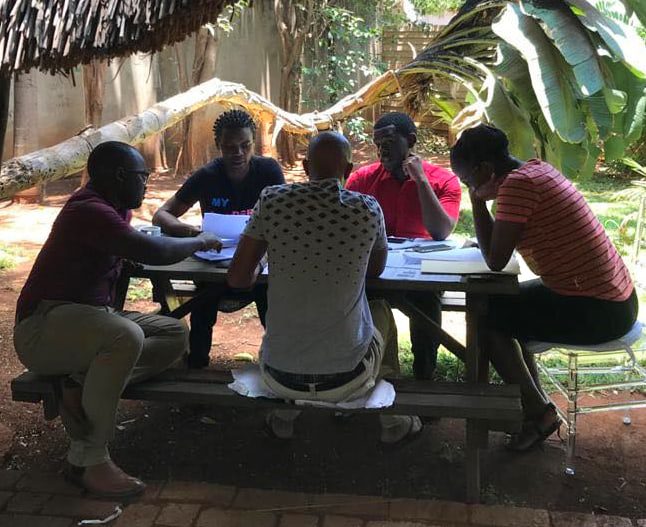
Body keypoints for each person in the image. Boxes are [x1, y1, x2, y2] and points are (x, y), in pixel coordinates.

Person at [13, 141, 222, 499]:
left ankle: (78, 382)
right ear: (121, 176)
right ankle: (89, 459)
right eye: (144, 176)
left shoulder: (115, 209)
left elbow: (123, 252)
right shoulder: (89, 210)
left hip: (87, 320)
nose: (146, 183)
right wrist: (199, 241)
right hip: (43, 328)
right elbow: (153, 250)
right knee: (125, 337)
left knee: (173, 333)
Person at [450, 124, 638, 451]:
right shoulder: (537, 170)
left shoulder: (517, 188)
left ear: (485, 170)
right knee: (504, 305)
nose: (469, 187)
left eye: (468, 180)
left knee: (487, 320)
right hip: (615, 297)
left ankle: (538, 414)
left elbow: (495, 260)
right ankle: (534, 406)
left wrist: (477, 203)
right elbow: (499, 245)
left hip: (599, 309)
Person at [227, 131, 422, 443]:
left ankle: (285, 415)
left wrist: (263, 265)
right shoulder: (368, 209)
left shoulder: (272, 201)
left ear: (305, 167)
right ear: (348, 170)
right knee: (380, 311)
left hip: (279, 377)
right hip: (349, 377)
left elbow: (237, 278)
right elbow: (375, 271)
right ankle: (391, 419)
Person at [153, 109, 285, 369]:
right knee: (203, 306)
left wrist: (260, 258)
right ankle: (197, 364)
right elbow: (162, 215)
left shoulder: (268, 171)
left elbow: (281, 223)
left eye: (245, 146)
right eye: (229, 147)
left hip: (260, 258)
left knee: (272, 305)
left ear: (253, 143)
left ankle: (278, 366)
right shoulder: (208, 176)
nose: (238, 153)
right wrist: (195, 233)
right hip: (214, 259)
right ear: (218, 146)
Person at [346, 112, 462, 379]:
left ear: (410, 140)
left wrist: (419, 180)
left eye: (388, 141)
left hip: (419, 276)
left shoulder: (442, 181)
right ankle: (370, 374)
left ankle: (424, 376)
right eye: (377, 143)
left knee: (427, 302)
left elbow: (441, 231)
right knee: (357, 299)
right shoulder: (362, 180)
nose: (381, 150)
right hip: (374, 272)